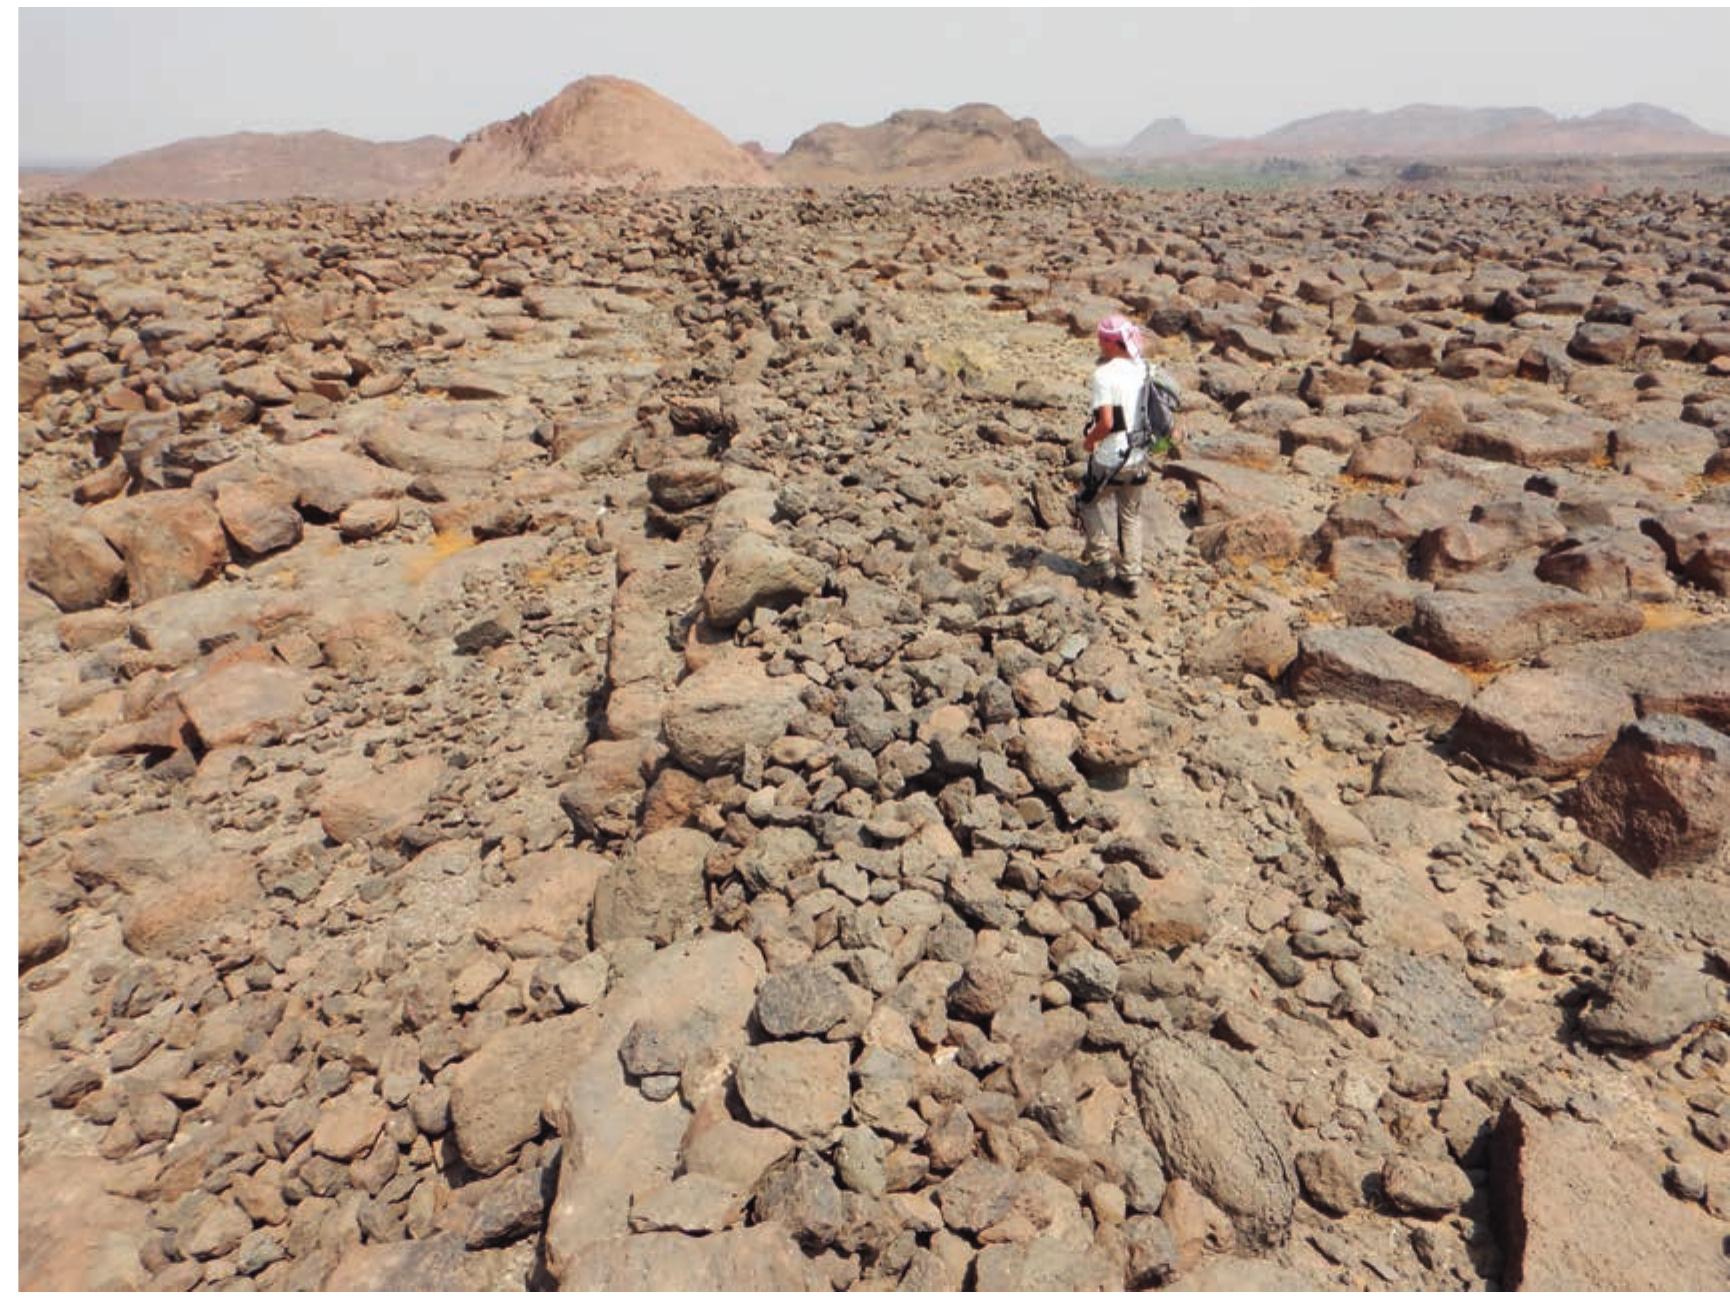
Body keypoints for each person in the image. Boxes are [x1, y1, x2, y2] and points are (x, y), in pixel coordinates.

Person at [1079, 314, 1154, 597]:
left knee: (1085, 502)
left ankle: (1101, 562)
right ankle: (1131, 576)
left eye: (1101, 339)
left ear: (1112, 343)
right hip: (1139, 456)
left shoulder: (1103, 375)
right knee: (1130, 515)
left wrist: (1089, 442)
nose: (1098, 343)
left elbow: (1108, 423)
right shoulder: (1143, 368)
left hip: (1112, 459)